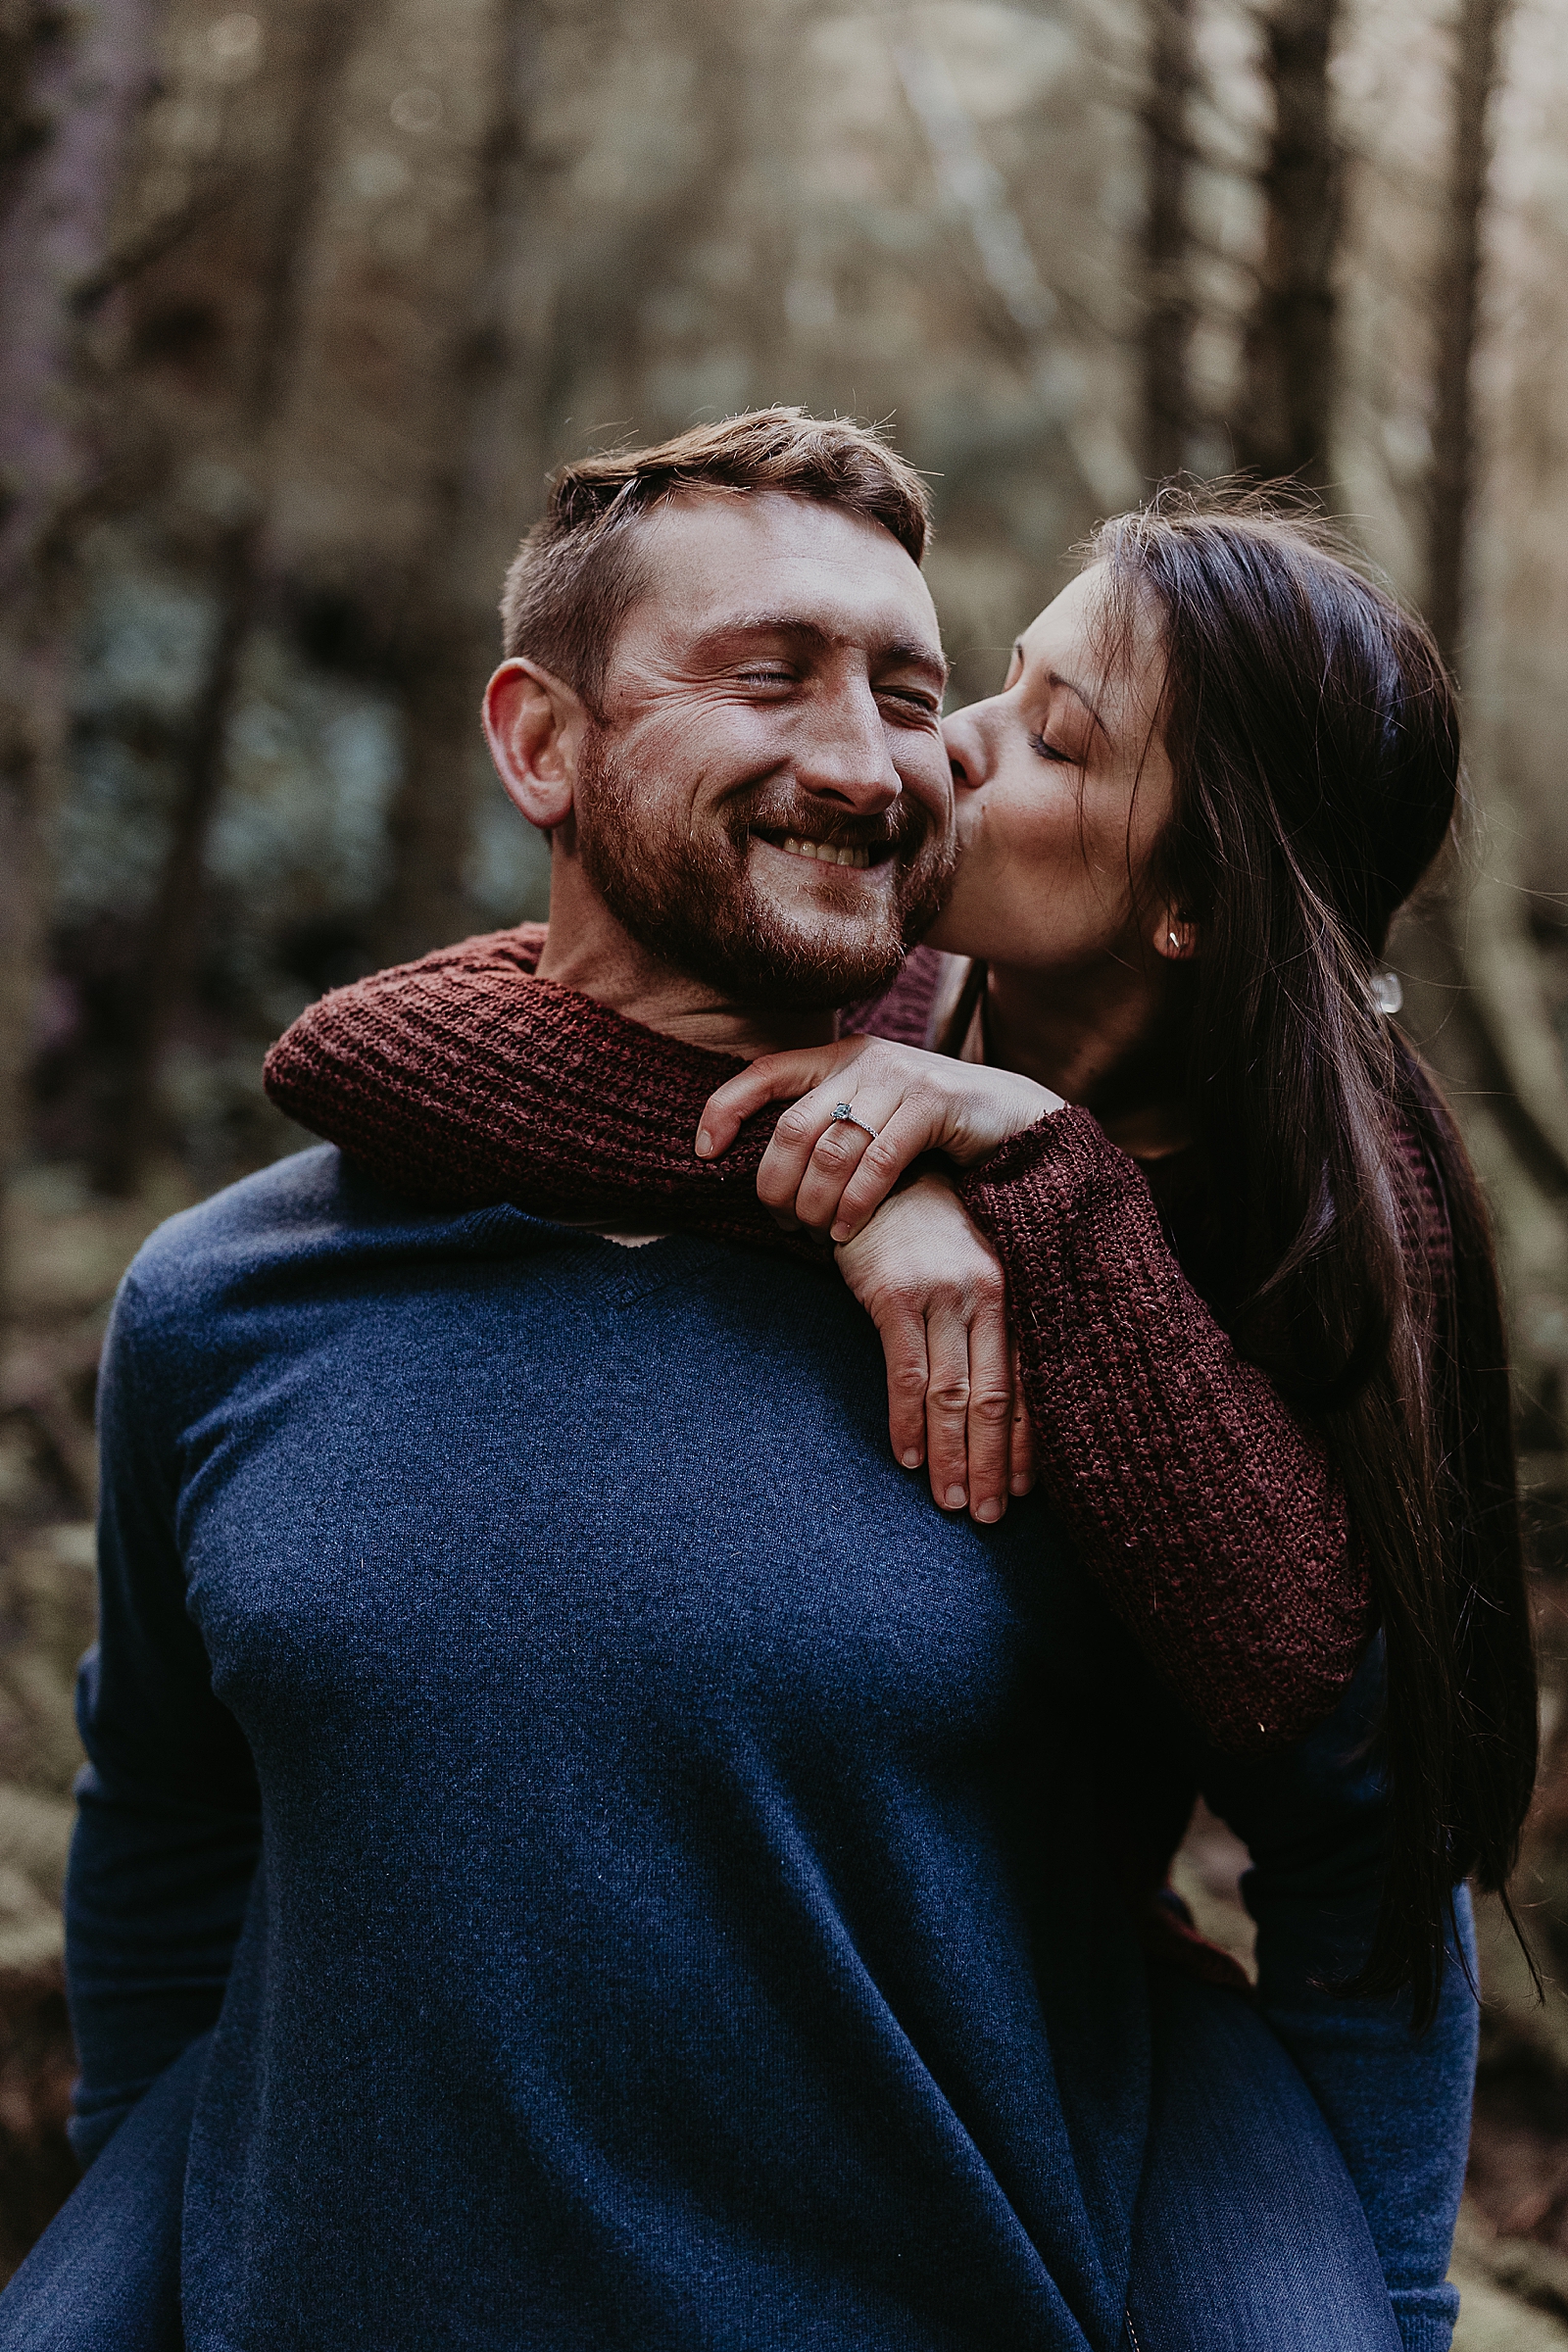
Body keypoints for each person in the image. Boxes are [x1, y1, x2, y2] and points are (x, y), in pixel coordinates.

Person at [5, 415, 1490, 2352]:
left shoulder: (1208, 1282)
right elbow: (167, 1842)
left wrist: (1026, 1189)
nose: (893, 755)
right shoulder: (224, 1304)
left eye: (920, 692)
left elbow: (1355, 1833)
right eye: (770, 678)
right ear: (534, 741)